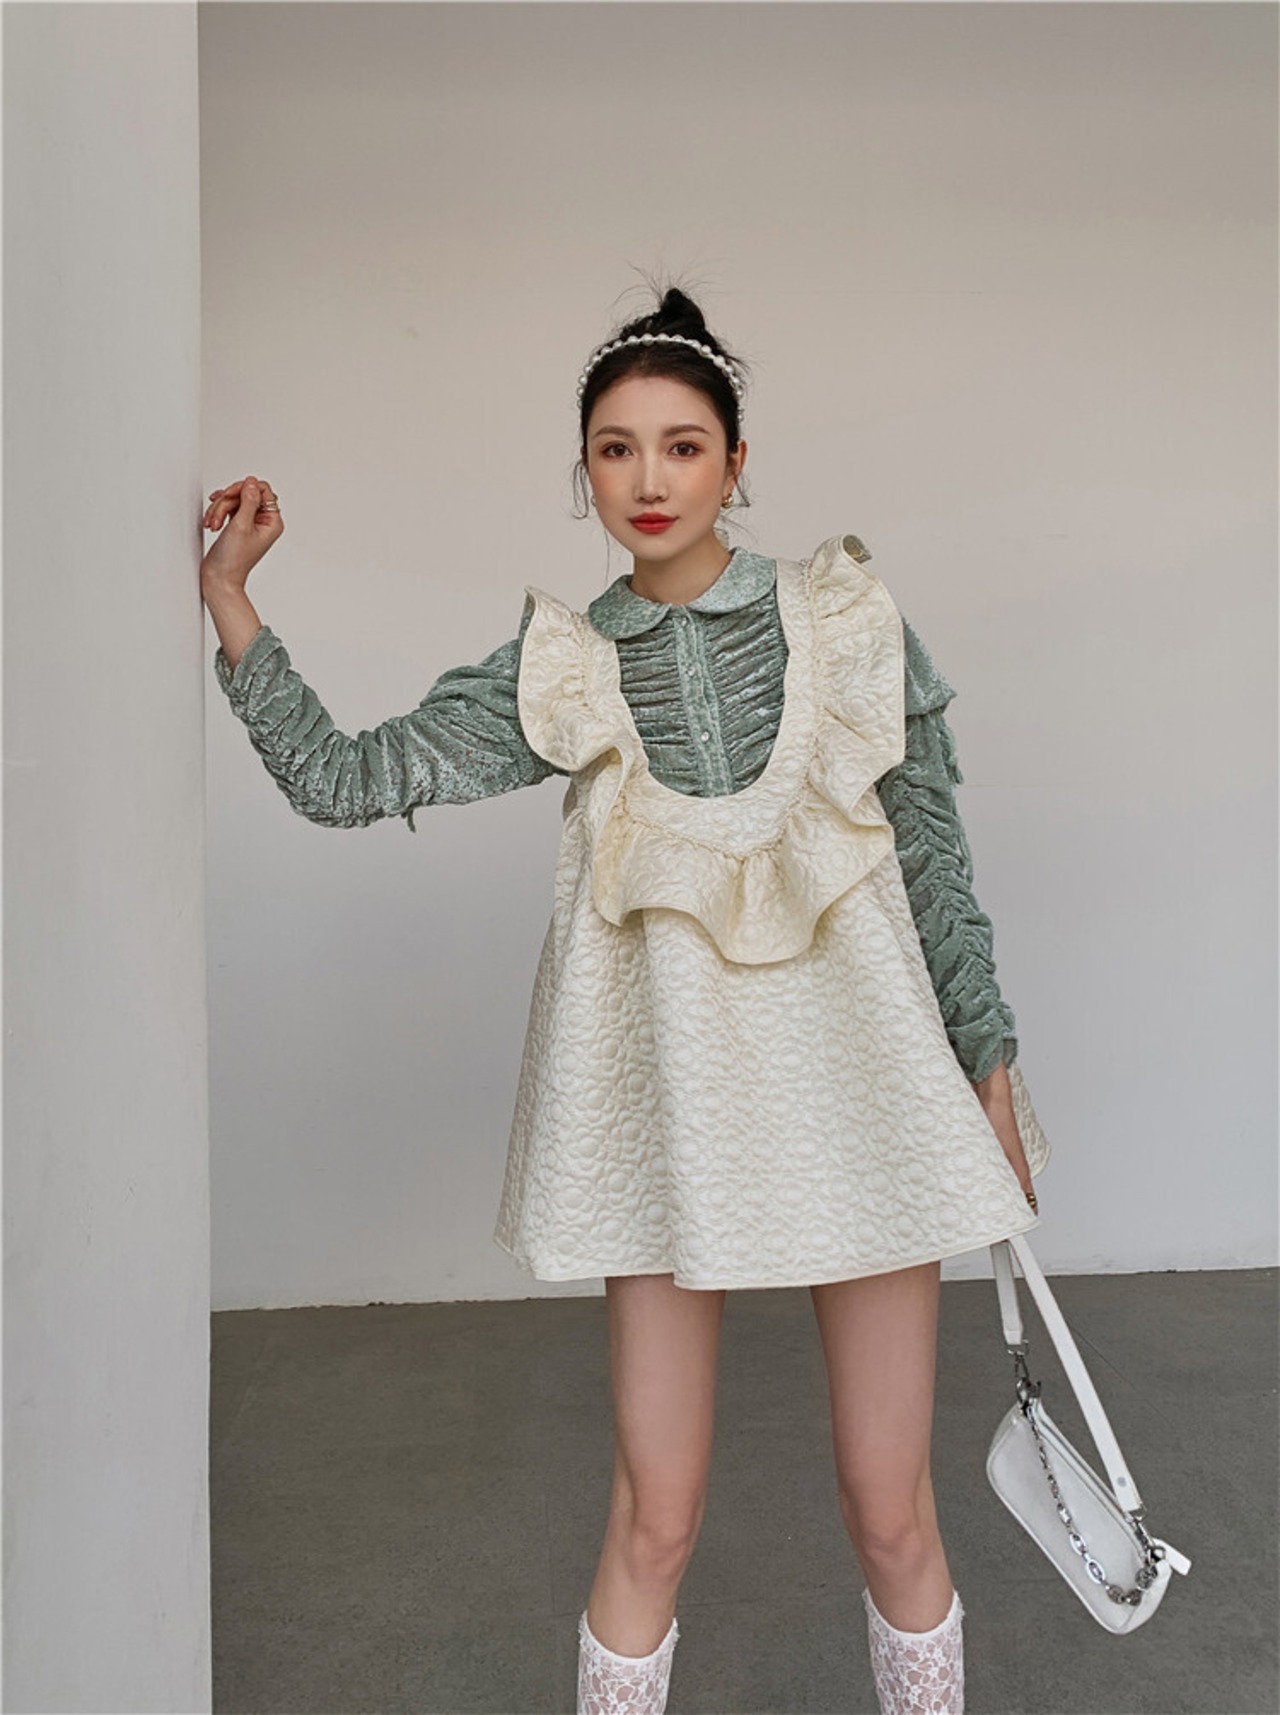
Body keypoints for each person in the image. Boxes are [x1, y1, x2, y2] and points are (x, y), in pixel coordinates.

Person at [201, 284, 1051, 1715]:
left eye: (681, 445)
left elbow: (937, 863)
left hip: (864, 1096)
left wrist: (992, 1072)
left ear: (735, 462)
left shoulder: (845, 621)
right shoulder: (561, 665)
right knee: (655, 1515)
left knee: (890, 1508)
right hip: (669, 1119)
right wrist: (233, 600)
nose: (648, 479)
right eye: (615, 448)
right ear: (584, 468)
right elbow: (346, 780)